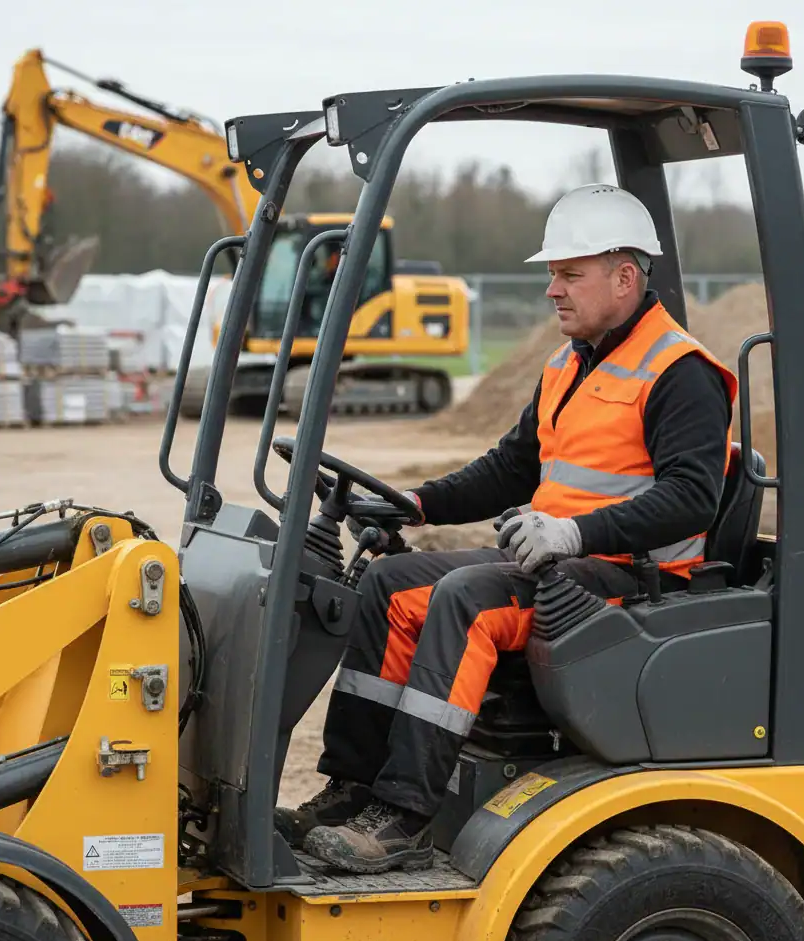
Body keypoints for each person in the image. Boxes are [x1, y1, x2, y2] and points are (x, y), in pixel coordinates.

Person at [276, 183, 739, 874]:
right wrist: (415, 504)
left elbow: (691, 499)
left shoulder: (681, 373)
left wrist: (571, 536)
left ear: (624, 276)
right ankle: (353, 788)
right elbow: (510, 468)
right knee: (389, 581)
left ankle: (403, 817)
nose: (553, 290)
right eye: (552, 274)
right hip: (559, 564)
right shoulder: (569, 363)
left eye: (569, 274)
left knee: (468, 598)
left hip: (633, 582)